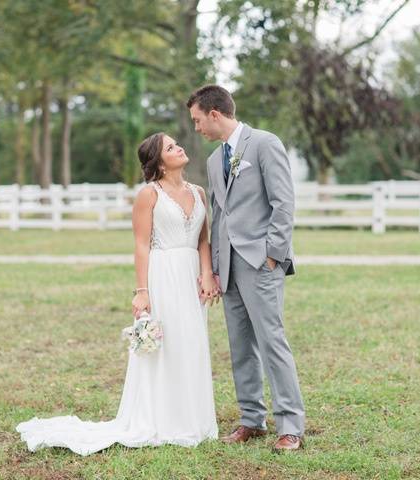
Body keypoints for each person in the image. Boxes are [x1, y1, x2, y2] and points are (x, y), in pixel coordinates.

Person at [16, 133, 218, 455]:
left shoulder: (198, 193)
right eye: (170, 147)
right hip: (162, 275)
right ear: (159, 162)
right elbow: (140, 245)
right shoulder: (149, 195)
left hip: (191, 276)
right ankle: (161, 419)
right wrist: (142, 291)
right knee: (165, 347)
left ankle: (191, 418)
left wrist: (207, 274)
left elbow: (204, 239)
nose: (178, 147)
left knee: (191, 343)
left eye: (176, 143)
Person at [187, 84, 305, 452]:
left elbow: (283, 203)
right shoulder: (212, 161)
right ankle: (251, 419)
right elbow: (219, 216)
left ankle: (290, 425)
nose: (196, 128)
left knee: (272, 342)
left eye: (197, 120)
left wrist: (273, 254)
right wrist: (218, 268)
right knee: (240, 346)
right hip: (231, 269)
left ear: (215, 114)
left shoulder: (265, 143)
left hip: (260, 262)